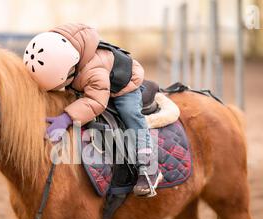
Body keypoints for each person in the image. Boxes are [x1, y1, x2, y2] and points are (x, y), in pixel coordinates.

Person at [23, 23, 162, 197]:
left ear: (68, 72)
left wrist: (67, 118)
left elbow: (96, 101)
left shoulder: (94, 72)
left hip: (125, 85)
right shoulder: (58, 47)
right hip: (94, 81)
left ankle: (149, 168)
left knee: (129, 112)